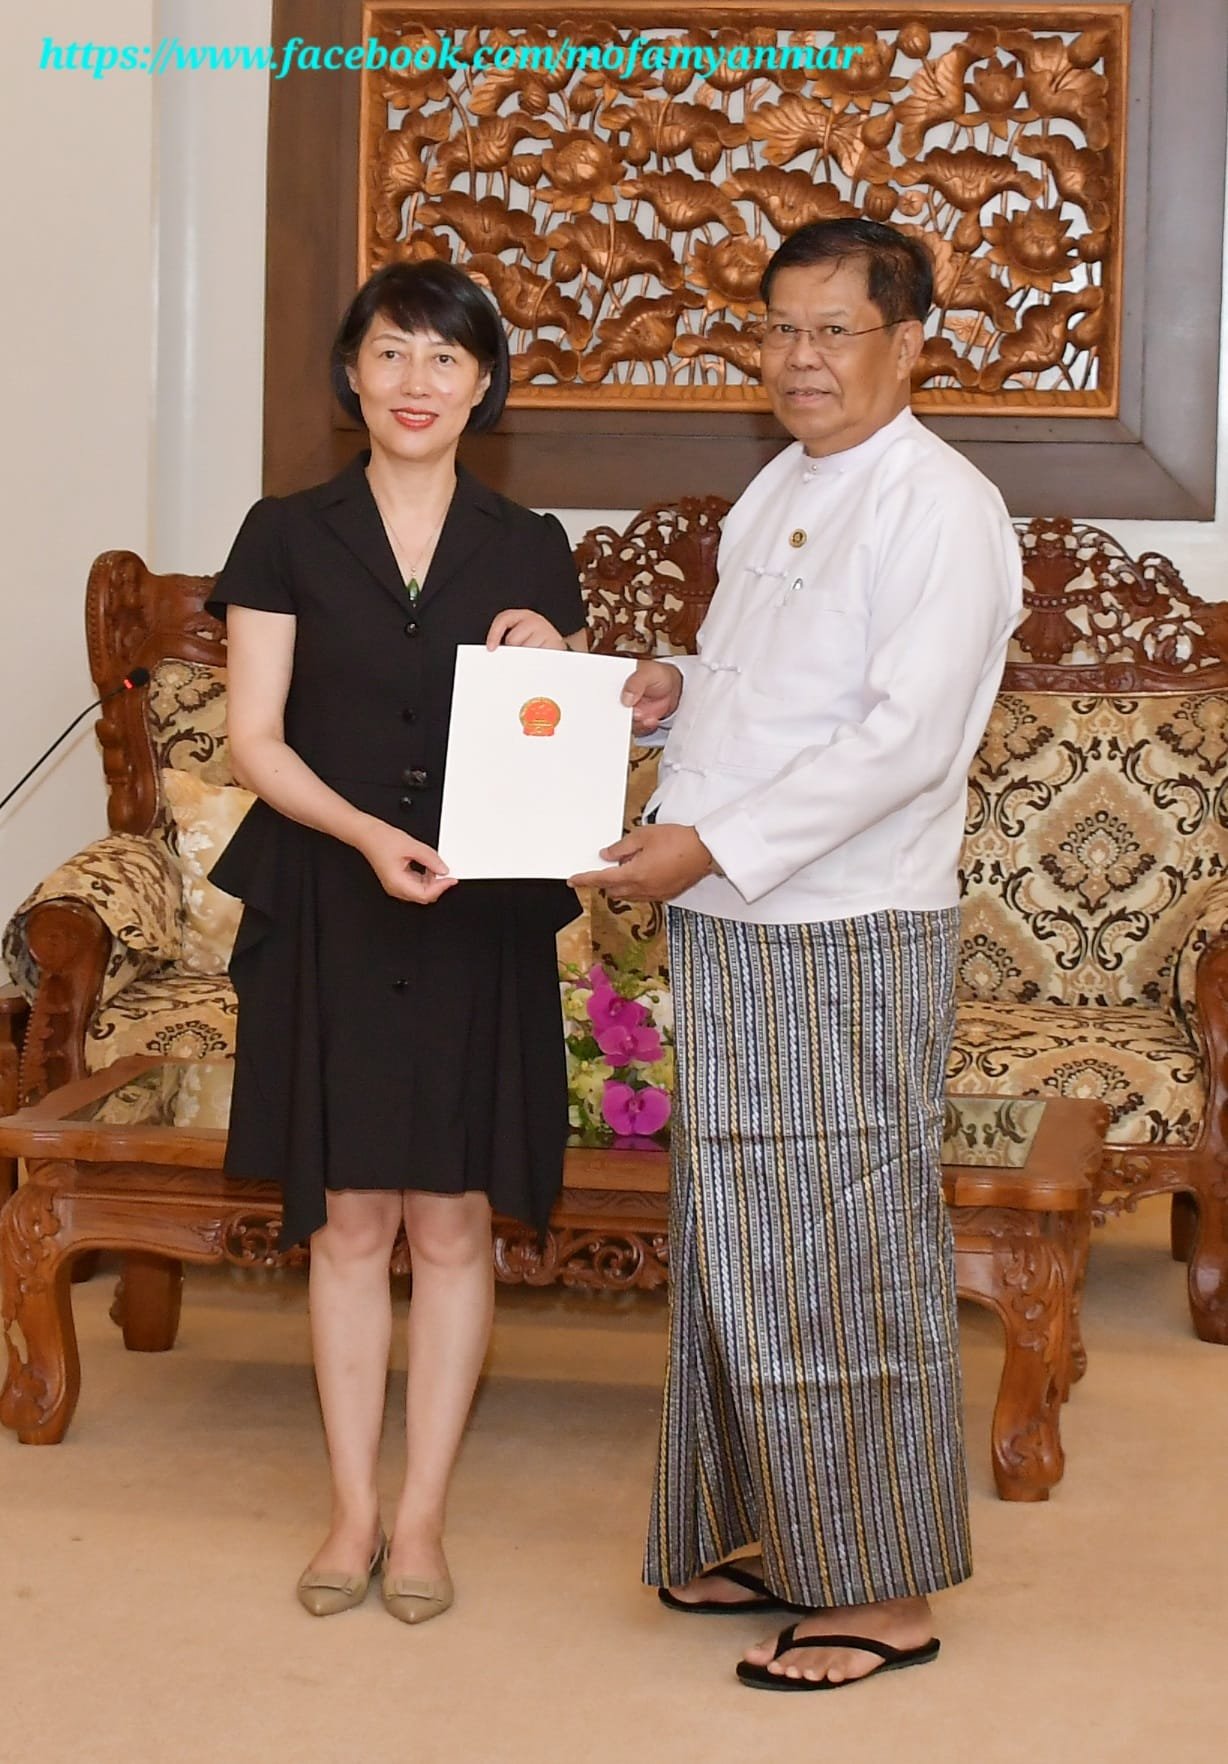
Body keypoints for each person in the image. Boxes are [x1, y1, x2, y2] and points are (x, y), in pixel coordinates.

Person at [572, 217, 1023, 1690]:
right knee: (743, 1244)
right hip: (737, 919)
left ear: (912, 343)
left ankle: (884, 1593)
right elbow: (764, 686)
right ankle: (781, 1531)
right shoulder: (782, 483)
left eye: (836, 330)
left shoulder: (942, 507)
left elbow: (903, 742)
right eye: (779, 328)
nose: (800, 358)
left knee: (843, 1251)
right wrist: (669, 687)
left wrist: (709, 843)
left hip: (844, 926)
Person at [206, 259, 586, 1625]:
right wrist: (368, 834)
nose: (415, 381)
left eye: (445, 357)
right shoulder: (285, 533)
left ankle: (420, 1516)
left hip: (481, 909)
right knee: (352, 1215)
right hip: (335, 892)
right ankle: (351, 1510)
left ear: (483, 384)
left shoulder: (532, 545)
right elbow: (254, 741)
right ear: (351, 376)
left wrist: (555, 664)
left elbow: (560, 744)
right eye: (390, 353)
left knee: (456, 1215)